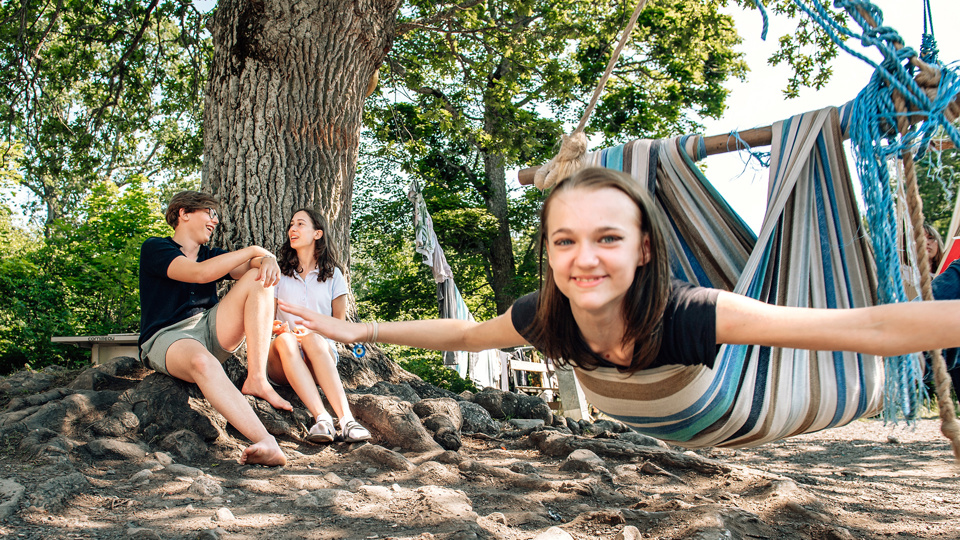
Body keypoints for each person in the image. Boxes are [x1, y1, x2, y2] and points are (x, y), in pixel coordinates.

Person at [279, 167, 960, 402]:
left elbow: (860, 331)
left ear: (644, 249)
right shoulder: (545, 315)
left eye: (608, 238)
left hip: (707, 404)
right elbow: (462, 330)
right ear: (547, 254)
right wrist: (359, 329)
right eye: (565, 241)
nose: (585, 259)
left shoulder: (693, 313)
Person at [139, 191, 291, 467]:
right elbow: (200, 273)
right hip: (168, 337)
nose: (215, 221)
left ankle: (257, 378)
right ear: (184, 213)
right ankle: (266, 441)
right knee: (202, 362)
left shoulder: (213, 254)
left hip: (210, 327)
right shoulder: (156, 248)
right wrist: (257, 250)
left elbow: (250, 267)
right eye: (210, 213)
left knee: (258, 278)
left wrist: (266, 260)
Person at [268, 209, 371, 444]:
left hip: (318, 356)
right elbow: (266, 320)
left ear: (317, 233)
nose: (292, 229)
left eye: (300, 224)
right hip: (282, 360)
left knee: (314, 340)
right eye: (291, 224)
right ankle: (322, 418)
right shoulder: (279, 274)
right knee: (286, 341)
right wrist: (279, 329)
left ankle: (346, 421)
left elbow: (340, 328)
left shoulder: (334, 276)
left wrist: (316, 332)